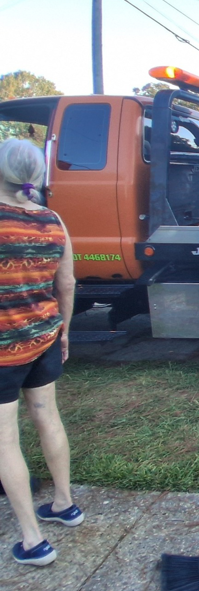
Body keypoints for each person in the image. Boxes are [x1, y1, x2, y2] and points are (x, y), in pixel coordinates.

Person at [0, 138, 80, 567]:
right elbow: (66, 283)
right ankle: (65, 504)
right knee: (48, 418)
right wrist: (64, 330)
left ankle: (33, 542)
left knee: (5, 441)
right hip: (45, 338)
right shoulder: (52, 219)